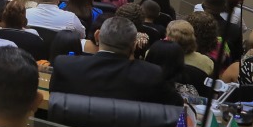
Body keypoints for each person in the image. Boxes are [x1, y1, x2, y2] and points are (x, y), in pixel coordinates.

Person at [50, 17, 180, 105]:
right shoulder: (153, 74)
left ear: (97, 36)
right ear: (134, 45)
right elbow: (177, 107)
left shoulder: (65, 65)